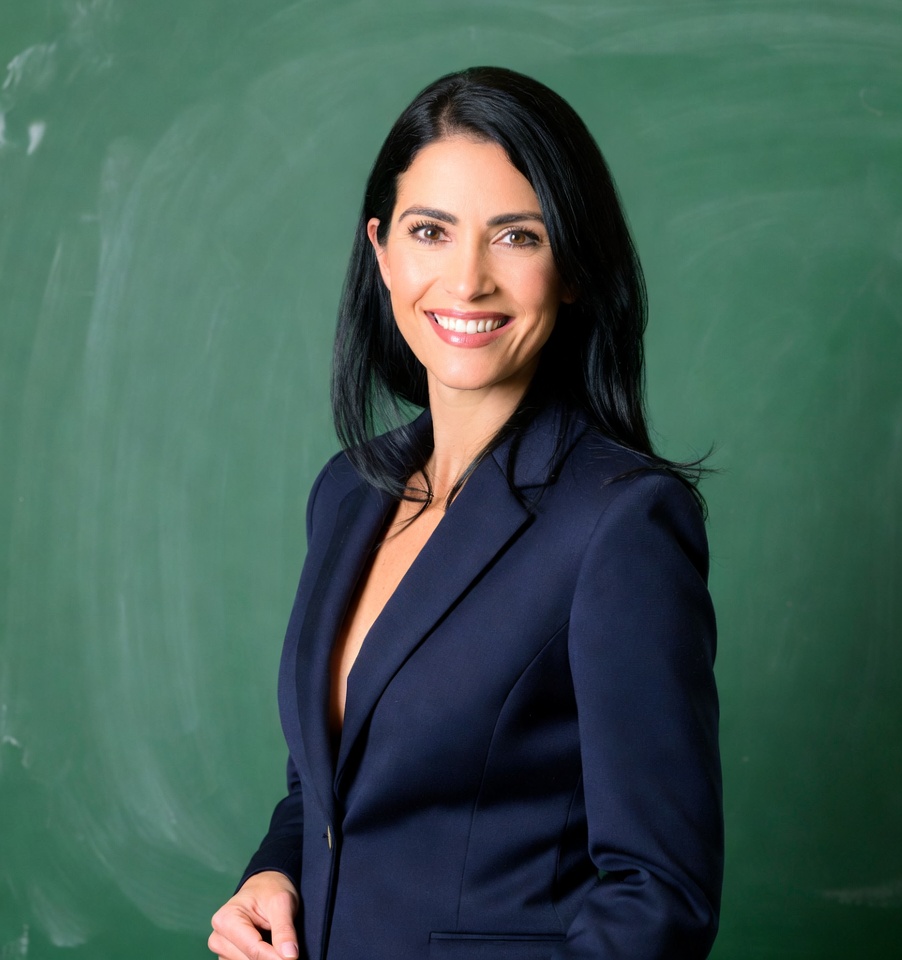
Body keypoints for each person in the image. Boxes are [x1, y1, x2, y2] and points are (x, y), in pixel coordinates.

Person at [209, 66, 722, 960]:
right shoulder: (348, 492)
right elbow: (329, 787)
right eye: (430, 232)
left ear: (572, 269)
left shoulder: (622, 522)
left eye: (516, 236)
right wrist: (273, 875)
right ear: (382, 253)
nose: (468, 279)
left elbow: (660, 896)